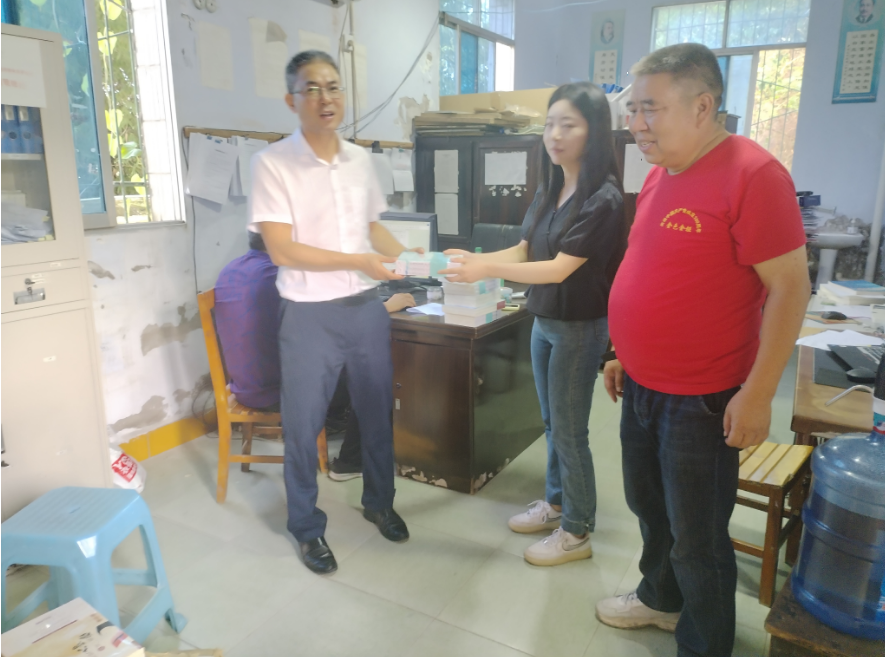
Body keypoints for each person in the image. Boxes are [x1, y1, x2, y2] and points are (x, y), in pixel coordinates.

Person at [595, 43, 810, 657]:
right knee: (649, 509)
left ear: (702, 106)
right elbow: (655, 268)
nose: (636, 124)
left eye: (650, 109)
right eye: (632, 109)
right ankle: (661, 600)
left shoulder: (754, 175)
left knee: (697, 536)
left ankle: (706, 644)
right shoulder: (660, 172)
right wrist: (623, 351)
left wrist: (759, 393)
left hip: (701, 398)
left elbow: (790, 288)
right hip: (642, 383)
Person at [440, 82, 625, 567]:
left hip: (579, 328)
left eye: (569, 125)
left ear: (594, 132)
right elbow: (524, 250)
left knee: (570, 432)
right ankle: (557, 504)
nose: (555, 135)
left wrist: (486, 269)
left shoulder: (603, 198)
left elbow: (560, 268)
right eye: (550, 124)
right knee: (551, 424)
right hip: (543, 320)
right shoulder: (551, 186)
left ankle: (576, 532)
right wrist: (474, 259)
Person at [250, 50, 419, 575]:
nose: (326, 98)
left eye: (333, 86)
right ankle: (306, 527)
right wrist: (360, 261)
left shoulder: (360, 161)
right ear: (291, 100)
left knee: (377, 413)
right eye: (312, 88)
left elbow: (372, 230)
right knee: (303, 427)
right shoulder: (272, 163)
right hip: (308, 316)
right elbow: (281, 249)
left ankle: (380, 502)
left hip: (364, 309)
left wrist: (416, 260)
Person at [214, 232, 415, 475]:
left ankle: (331, 424)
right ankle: (351, 463)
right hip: (275, 391)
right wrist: (387, 306)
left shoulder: (232, 269)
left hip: (243, 385)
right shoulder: (278, 277)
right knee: (374, 377)